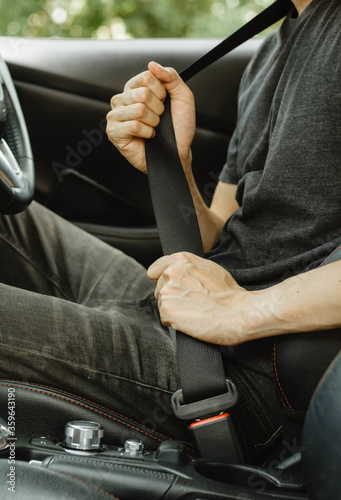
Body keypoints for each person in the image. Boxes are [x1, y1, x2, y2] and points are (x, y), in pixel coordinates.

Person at [0, 0, 340, 461]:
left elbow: (237, 300)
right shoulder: (271, 51)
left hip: (238, 371)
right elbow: (219, 240)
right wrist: (170, 166)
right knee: (10, 217)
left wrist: (246, 310)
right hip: (195, 313)